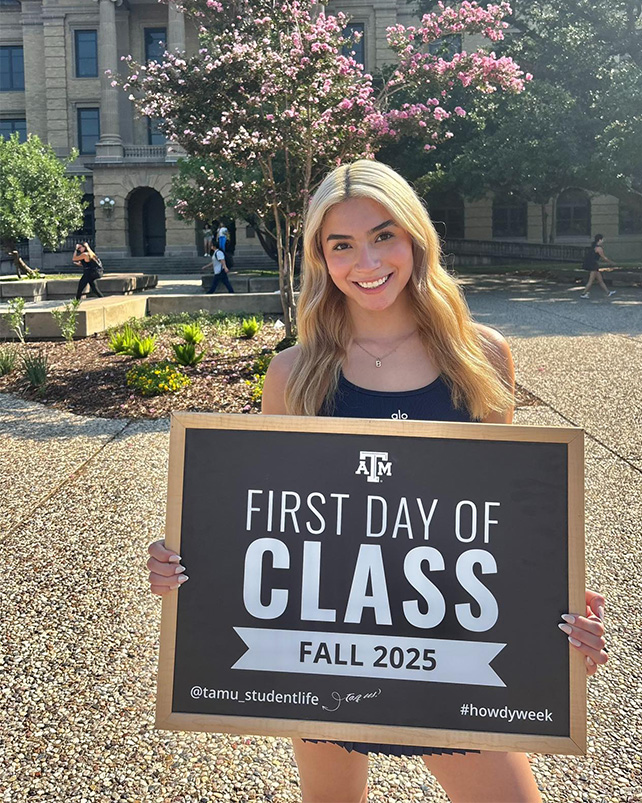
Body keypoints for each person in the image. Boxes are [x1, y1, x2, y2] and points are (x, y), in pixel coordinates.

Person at [148, 160, 608, 803]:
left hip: (447, 649)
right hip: (326, 649)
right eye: (341, 244)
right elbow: (261, 518)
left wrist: (552, 606)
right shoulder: (293, 374)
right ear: (321, 258)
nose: (366, 260)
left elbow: (502, 522)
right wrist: (188, 563)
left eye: (384, 235)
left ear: (417, 237)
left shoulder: (483, 358)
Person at [581, 234, 616, 298]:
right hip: (593, 265)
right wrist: (611, 262)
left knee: (600, 280)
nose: (603, 241)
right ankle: (583, 294)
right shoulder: (599, 248)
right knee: (590, 281)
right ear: (600, 240)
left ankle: (608, 292)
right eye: (602, 240)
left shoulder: (594, 246)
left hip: (593, 264)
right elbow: (604, 258)